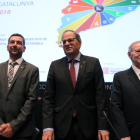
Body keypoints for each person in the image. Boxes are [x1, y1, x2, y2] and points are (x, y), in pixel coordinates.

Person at [42, 30, 109, 140]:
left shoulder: (93, 63)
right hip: (62, 126)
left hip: (88, 125)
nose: (67, 44)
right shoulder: (55, 66)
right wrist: (48, 127)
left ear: (79, 42)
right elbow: (48, 99)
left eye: (70, 40)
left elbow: (100, 96)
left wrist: (103, 127)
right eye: (64, 42)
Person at [0, 33, 39, 140]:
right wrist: (2, 125)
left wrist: (13, 126)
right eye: (12, 42)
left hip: (23, 132)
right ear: (7, 46)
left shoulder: (32, 70)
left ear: (24, 48)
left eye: (19, 43)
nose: (15, 45)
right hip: (0, 129)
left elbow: (31, 101)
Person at [111, 41, 140, 140]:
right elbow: (116, 107)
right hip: (131, 133)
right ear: (129, 54)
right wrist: (123, 134)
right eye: (138, 51)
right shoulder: (120, 77)